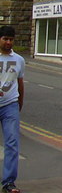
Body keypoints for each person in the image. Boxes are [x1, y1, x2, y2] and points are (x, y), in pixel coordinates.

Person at [0, 26, 25, 193]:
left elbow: (20, 83)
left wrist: (19, 104)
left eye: (11, 39)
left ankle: (8, 182)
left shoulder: (19, 60)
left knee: (12, 143)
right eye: (5, 39)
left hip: (10, 105)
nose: (8, 42)